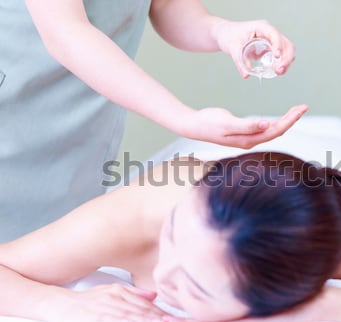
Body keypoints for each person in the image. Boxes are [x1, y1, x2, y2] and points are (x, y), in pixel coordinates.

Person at [0, 152, 341, 322]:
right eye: (174, 236)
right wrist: (52, 305)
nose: (162, 275)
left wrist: (326, 305)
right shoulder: (132, 219)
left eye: (196, 287)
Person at [0, 0, 306, 243]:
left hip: (82, 124)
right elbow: (65, 32)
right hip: (14, 118)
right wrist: (184, 118)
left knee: (51, 252)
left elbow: (166, 5)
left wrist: (222, 32)